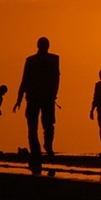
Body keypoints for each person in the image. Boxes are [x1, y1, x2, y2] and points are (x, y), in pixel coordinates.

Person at [13, 37, 60, 170]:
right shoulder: (53, 59)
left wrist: (19, 98)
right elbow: (56, 79)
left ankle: (38, 150)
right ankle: (47, 148)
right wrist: (53, 94)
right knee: (47, 124)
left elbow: (24, 80)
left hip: (36, 97)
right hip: (45, 97)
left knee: (35, 126)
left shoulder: (32, 60)